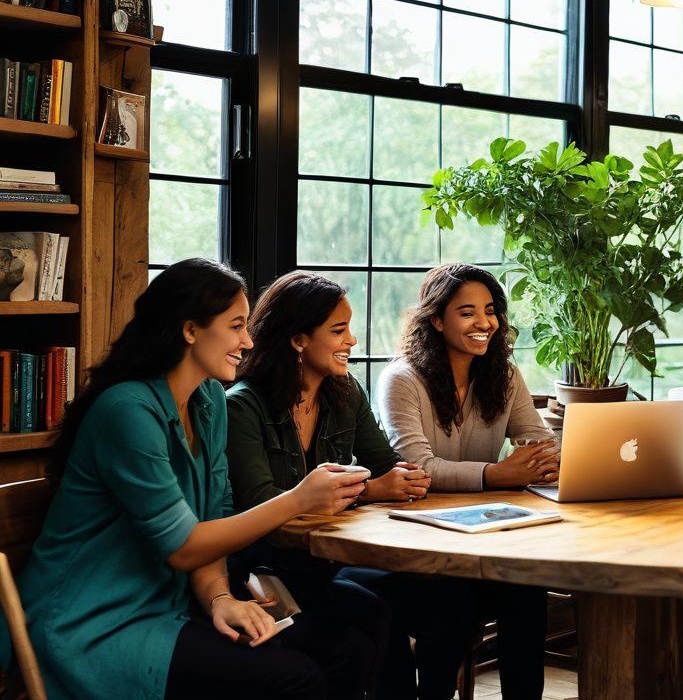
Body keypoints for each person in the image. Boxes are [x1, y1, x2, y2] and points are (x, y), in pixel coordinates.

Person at [0, 258, 370, 700]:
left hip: (168, 607)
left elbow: (212, 518)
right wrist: (297, 499)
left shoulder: (209, 400)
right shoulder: (127, 410)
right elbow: (182, 546)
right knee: (293, 676)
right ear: (190, 329)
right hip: (90, 626)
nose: (248, 341)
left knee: (347, 646)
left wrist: (219, 598)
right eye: (235, 326)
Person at [228, 271, 463, 700]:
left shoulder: (345, 392)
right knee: (368, 620)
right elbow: (262, 505)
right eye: (338, 330)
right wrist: (370, 490)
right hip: (262, 574)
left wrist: (404, 479)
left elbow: (390, 467)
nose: (352, 341)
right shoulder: (243, 406)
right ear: (298, 340)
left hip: (322, 564)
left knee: (443, 600)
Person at [377, 262, 556, 700]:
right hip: (419, 545)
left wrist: (555, 456)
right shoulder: (401, 380)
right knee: (454, 603)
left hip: (483, 538)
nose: (484, 323)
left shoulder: (504, 375)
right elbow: (418, 467)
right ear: (436, 320)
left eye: (490, 310)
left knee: (528, 592)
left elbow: (539, 440)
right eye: (467, 312)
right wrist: (497, 474)